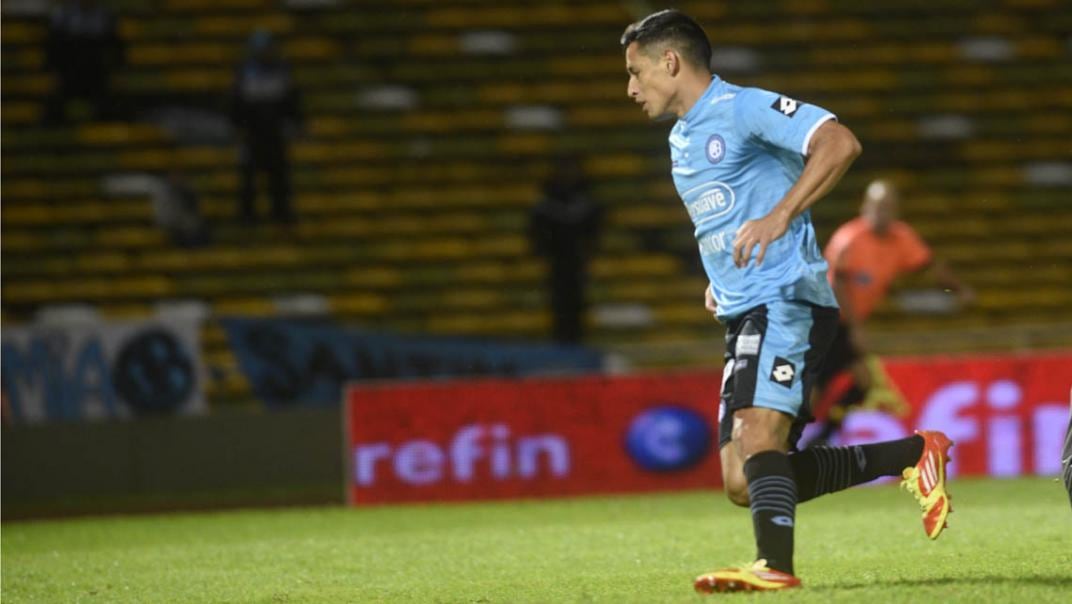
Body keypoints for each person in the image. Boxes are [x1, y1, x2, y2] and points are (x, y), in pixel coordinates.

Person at [621, 10, 954, 593]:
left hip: (785, 299)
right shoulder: (682, 137)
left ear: (669, 62)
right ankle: (912, 453)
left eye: (634, 71)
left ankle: (773, 566)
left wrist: (781, 216)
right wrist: (719, 275)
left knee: (757, 436)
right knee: (741, 480)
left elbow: (838, 141)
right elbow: (725, 215)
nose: (629, 88)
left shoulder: (742, 107)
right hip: (741, 306)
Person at [807, 179, 975, 446]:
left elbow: (930, 266)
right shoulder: (849, 238)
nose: (881, 212)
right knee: (817, 386)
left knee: (862, 382)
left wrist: (958, 289)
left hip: (846, 324)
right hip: (824, 319)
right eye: (876, 206)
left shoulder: (901, 238)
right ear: (864, 207)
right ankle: (794, 444)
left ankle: (820, 438)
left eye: (887, 207)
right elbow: (836, 284)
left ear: (896, 210)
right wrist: (855, 328)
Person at [229, 29, 301, 225]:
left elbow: (291, 102)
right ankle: (247, 216)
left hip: (274, 135)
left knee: (279, 176)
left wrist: (295, 123)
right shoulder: (245, 73)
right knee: (249, 177)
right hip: (253, 135)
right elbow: (236, 105)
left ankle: (281, 214)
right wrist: (238, 128)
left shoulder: (281, 71)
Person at [529, 156, 602, 344]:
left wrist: (589, 253)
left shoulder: (586, 202)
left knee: (578, 305)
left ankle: (578, 342)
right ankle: (561, 342)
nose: (567, 176)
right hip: (556, 264)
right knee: (558, 305)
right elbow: (535, 234)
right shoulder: (546, 205)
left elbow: (595, 232)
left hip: (578, 263)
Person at [44, 0, 125, 123]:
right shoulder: (64, 15)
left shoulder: (104, 16)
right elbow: (53, 47)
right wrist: (54, 72)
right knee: (54, 108)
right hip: (69, 73)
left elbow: (116, 47)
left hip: (97, 73)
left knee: (110, 107)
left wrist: (115, 72)